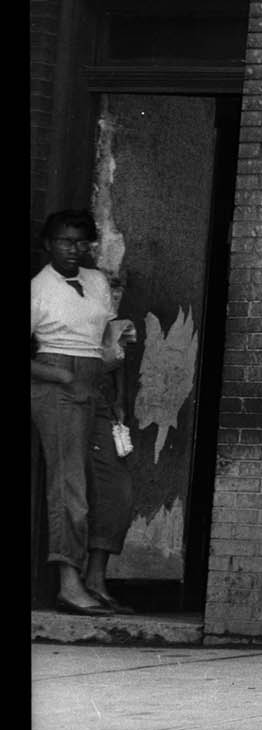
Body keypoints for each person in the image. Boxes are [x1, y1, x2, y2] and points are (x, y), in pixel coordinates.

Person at [29, 209, 130, 615]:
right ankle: (69, 585)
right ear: (48, 244)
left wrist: (118, 393)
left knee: (115, 487)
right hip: (58, 385)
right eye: (64, 241)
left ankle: (96, 580)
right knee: (70, 487)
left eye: (80, 242)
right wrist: (62, 376)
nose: (73, 249)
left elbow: (109, 342)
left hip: (98, 383)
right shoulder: (37, 289)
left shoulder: (97, 281)